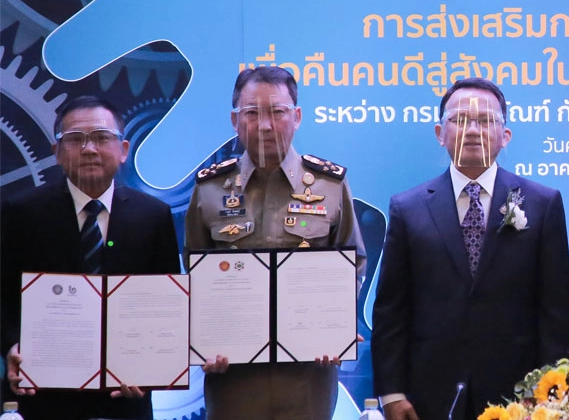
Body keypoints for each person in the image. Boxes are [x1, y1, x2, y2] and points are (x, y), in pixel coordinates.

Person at [372, 78, 569, 420]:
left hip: (520, 396)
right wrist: (391, 392)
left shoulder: (543, 204)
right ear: (440, 133)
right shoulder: (408, 208)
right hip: (429, 396)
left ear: (505, 135)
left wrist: (551, 392)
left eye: (485, 120)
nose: (473, 130)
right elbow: (392, 311)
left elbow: (555, 313)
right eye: (460, 119)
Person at [185, 66, 366, 419]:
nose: (265, 125)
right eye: (252, 113)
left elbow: (353, 264)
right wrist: (206, 339)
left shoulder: (330, 185)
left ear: (297, 116)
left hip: (308, 376)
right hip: (233, 377)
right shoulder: (209, 189)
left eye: (277, 112)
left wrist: (335, 327)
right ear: (235, 120)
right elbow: (195, 274)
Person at [1, 96, 180, 420]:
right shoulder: (21, 212)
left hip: (126, 397)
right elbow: (4, 297)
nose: (89, 149)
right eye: (75, 139)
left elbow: (167, 306)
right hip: (44, 396)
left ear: (123, 149)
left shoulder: (154, 216)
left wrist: (152, 370)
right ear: (57, 152)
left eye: (101, 137)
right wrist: (11, 345)